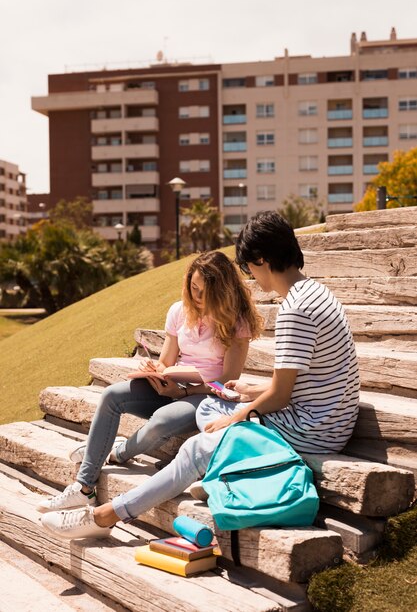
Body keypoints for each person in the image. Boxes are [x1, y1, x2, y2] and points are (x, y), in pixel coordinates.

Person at [41, 211, 360, 539]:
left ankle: (104, 516)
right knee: (209, 410)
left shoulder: (296, 310)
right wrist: (251, 390)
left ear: (261, 259)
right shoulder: (317, 294)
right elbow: (304, 381)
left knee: (196, 446)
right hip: (327, 419)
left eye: (247, 265)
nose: (249, 273)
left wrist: (236, 418)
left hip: (312, 431)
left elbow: (281, 396)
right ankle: (213, 473)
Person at [38, 250, 262, 514]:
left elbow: (227, 380)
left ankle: (116, 453)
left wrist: (184, 391)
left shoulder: (237, 320)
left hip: (207, 396)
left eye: (205, 292)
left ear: (222, 292)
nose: (197, 297)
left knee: (162, 421)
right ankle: (84, 488)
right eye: (193, 288)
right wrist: (155, 368)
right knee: (111, 396)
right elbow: (167, 360)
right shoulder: (180, 311)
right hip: (175, 384)